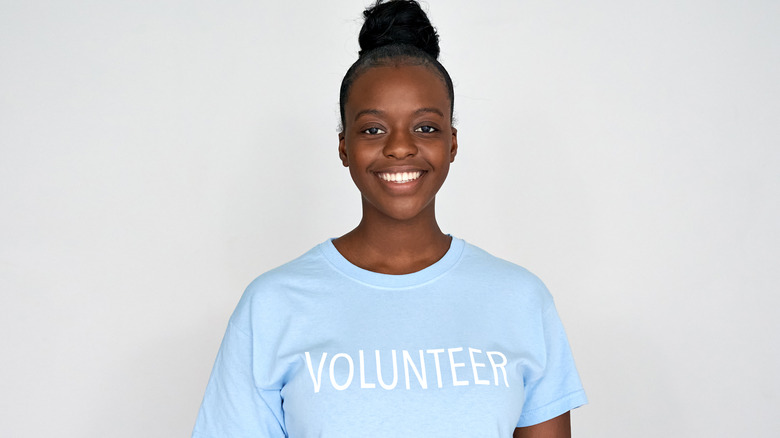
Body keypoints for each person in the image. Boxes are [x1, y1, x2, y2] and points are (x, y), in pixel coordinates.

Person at [192, 1, 587, 437]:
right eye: (373, 129)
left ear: (452, 144)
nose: (400, 148)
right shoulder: (273, 305)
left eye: (426, 127)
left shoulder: (520, 300)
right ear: (344, 146)